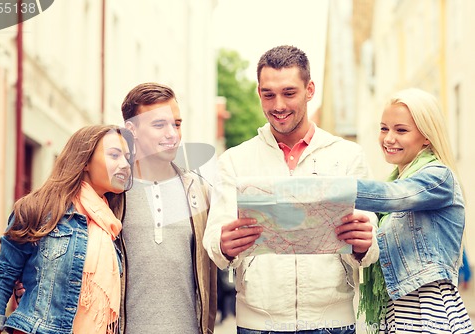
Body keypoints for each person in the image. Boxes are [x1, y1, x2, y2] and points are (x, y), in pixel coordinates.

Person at [202, 45, 379, 334]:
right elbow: (214, 239)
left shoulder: (349, 155)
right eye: (269, 94)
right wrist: (223, 245)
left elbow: (371, 241)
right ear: (259, 92)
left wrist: (364, 243)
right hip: (257, 324)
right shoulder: (234, 161)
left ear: (310, 90)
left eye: (289, 93)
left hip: (332, 323)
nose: (278, 105)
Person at [0, 125, 134, 334]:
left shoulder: (113, 224)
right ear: (84, 161)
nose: (125, 165)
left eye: (127, 158)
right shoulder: (38, 210)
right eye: (114, 155)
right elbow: (2, 278)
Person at [355, 88, 474, 333]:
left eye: (401, 130)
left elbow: (392, 196)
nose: (388, 138)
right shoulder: (396, 181)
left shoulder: (438, 177)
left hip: (431, 315)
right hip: (397, 315)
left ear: (426, 136)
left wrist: (332, 189)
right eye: (384, 128)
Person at [119, 82, 217, 334]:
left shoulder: (199, 190)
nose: (172, 134)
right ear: (132, 130)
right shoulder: (111, 192)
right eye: (159, 125)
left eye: (177, 124)